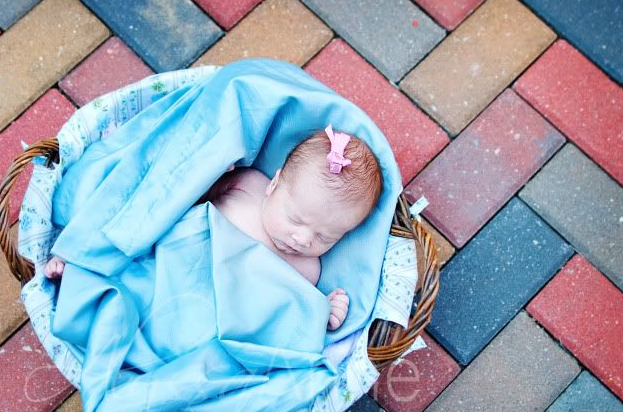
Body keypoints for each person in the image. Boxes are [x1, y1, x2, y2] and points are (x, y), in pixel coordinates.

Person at [45, 124, 382, 331]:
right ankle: (84, 262)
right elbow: (182, 192)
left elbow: (278, 313)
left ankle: (91, 290)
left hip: (203, 305)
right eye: (295, 219)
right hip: (170, 256)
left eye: (326, 236)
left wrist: (320, 311)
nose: (303, 239)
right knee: (130, 254)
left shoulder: (308, 270)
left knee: (145, 311)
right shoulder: (249, 184)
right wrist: (212, 171)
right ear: (274, 183)